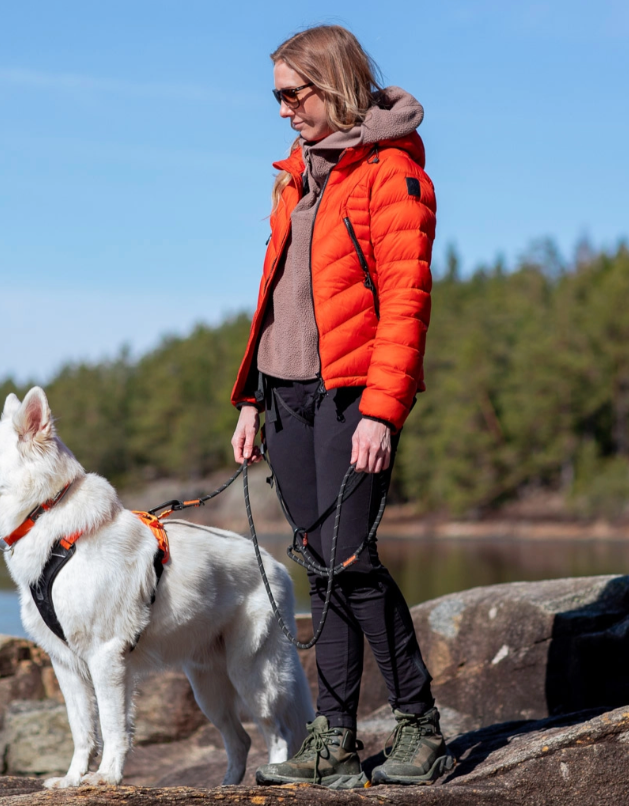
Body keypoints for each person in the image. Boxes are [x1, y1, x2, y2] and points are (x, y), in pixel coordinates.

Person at [230, 25, 449, 787]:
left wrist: (383, 412)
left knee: (352, 563)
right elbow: (277, 300)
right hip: (285, 397)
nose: (285, 110)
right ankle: (334, 740)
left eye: (296, 93)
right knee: (320, 571)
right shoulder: (295, 177)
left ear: (335, 84)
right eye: (277, 96)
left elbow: (406, 304)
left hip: (354, 394)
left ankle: (421, 726)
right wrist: (253, 398)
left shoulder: (392, 171)